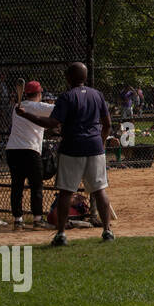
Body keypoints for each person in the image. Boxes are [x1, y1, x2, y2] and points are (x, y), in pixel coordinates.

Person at [16, 63, 116, 245]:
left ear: (69, 78)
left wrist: (25, 115)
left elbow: (52, 123)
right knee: (100, 190)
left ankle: (61, 234)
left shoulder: (67, 96)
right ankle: (107, 231)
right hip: (94, 147)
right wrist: (101, 143)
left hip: (72, 147)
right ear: (85, 77)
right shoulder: (97, 94)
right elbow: (107, 124)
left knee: (66, 192)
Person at [6, 80, 53, 229]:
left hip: (12, 150)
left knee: (17, 185)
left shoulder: (17, 107)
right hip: (29, 150)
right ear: (39, 93)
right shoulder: (38, 106)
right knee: (36, 185)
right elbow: (59, 109)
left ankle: (18, 220)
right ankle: (38, 219)